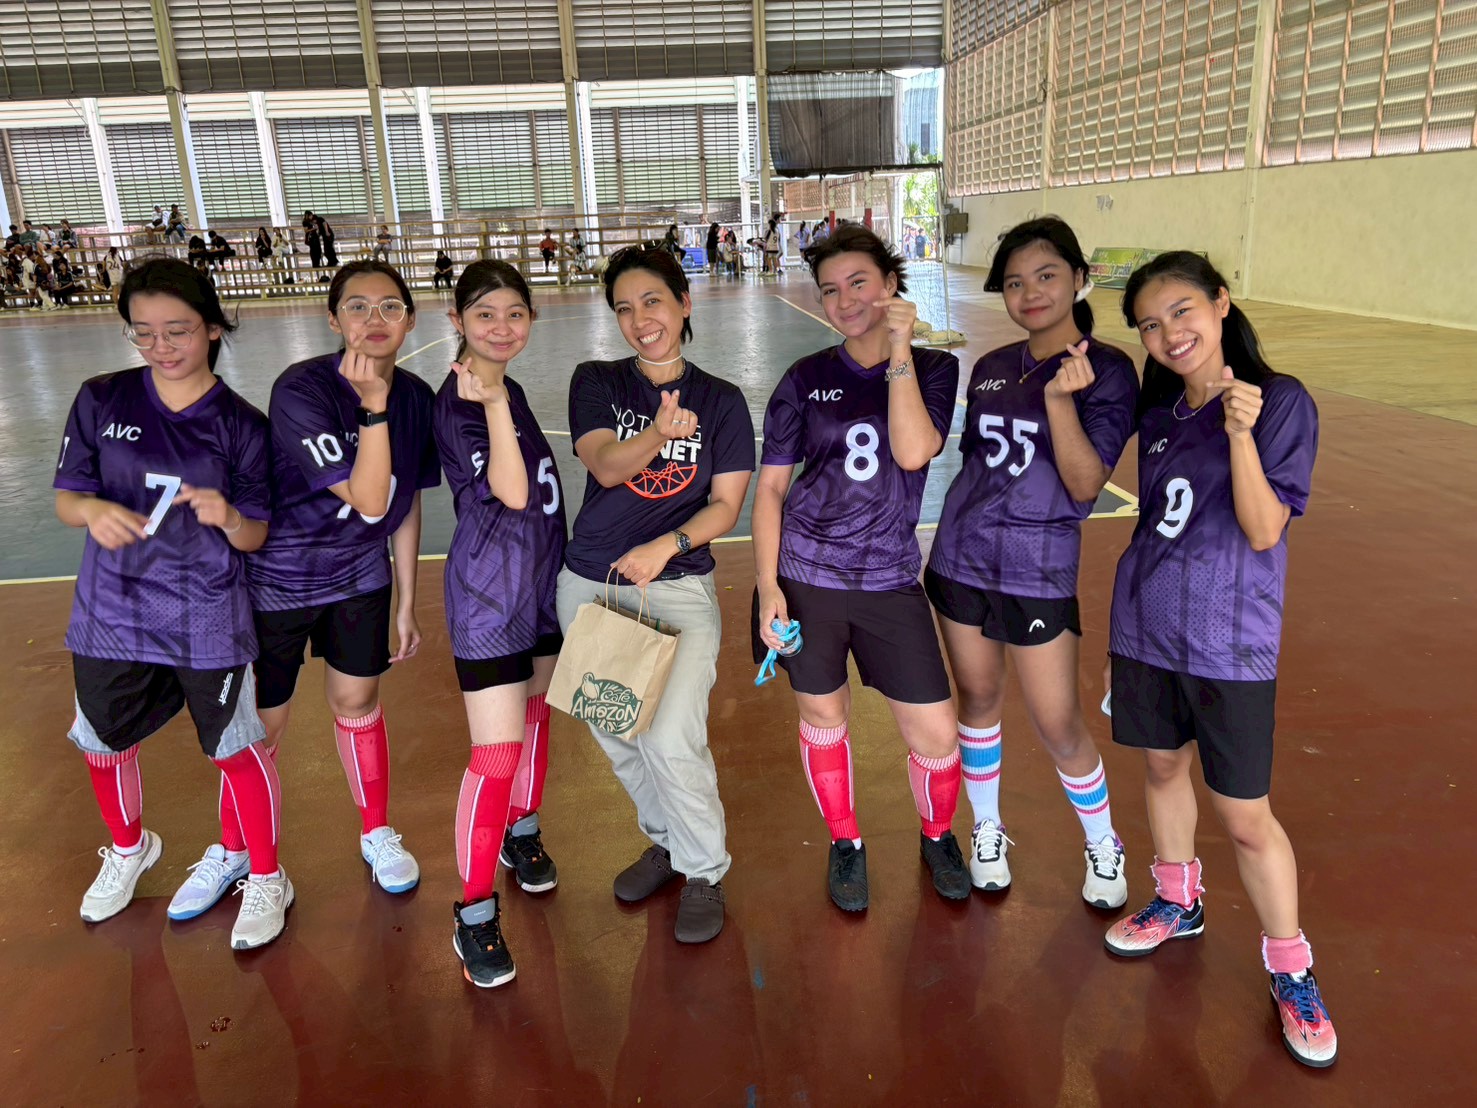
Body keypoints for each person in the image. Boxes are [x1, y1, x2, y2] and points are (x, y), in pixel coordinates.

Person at [1103, 251, 1336, 1069]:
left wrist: (1239, 434)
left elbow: (1264, 528)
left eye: (1180, 311)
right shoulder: (1161, 413)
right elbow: (1153, 524)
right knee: (1162, 768)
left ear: (1220, 303)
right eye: (1149, 324)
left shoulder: (1279, 401)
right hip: (1146, 629)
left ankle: (1290, 966)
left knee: (1243, 815)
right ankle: (1177, 899)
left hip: (1229, 640)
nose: (1168, 333)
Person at [180, 260, 441, 905]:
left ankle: (376, 831)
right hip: (277, 581)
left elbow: (404, 501)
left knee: (357, 701)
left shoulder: (416, 398)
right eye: (357, 306)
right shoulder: (302, 389)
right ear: (332, 319)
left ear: (411, 319)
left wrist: (407, 599)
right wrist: (373, 407)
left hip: (358, 577)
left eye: (390, 306)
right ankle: (236, 849)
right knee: (262, 726)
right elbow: (369, 498)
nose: (374, 319)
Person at [53, 256, 290, 950]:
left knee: (236, 749)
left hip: (204, 612)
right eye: (144, 332)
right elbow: (68, 498)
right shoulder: (101, 398)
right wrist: (92, 510)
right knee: (103, 743)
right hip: (112, 608)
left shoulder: (241, 423)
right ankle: (130, 849)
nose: (161, 346)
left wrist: (227, 516)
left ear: (212, 328)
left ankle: (267, 875)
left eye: (178, 330)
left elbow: (255, 535)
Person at [752, 224, 965, 912]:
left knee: (936, 732)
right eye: (829, 290)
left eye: (858, 284)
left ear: (891, 285)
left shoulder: (933, 369)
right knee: (823, 713)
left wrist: (899, 350)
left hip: (888, 579)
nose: (844, 301)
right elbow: (771, 490)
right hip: (806, 575)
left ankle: (937, 835)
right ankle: (845, 841)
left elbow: (913, 452)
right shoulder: (803, 379)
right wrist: (767, 588)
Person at [926, 217, 1137, 905]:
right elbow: (975, 465)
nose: (1031, 293)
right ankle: (986, 829)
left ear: (1078, 278)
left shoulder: (1108, 371)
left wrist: (1057, 401)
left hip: (1037, 568)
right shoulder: (990, 367)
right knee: (978, 700)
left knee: (1058, 721)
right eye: (1015, 283)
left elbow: (1084, 484)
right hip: (960, 559)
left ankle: (1103, 844)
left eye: (1046, 276)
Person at [557, 246, 755, 944]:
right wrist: (655, 433)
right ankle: (669, 842)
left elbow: (726, 506)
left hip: (675, 588)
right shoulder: (596, 380)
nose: (640, 319)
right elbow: (606, 465)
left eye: (653, 301)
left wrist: (667, 545)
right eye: (624, 307)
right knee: (617, 733)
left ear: (684, 304)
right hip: (592, 581)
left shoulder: (722, 401)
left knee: (670, 737)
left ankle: (703, 870)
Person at [434, 260, 567, 987]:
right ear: (457, 320)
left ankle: (522, 828)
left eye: (515, 313)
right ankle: (474, 912)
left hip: (539, 584)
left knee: (537, 715)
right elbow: (513, 492)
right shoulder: (463, 400)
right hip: (489, 596)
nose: (502, 327)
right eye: (485, 314)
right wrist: (489, 404)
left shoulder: (503, 387)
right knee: (494, 755)